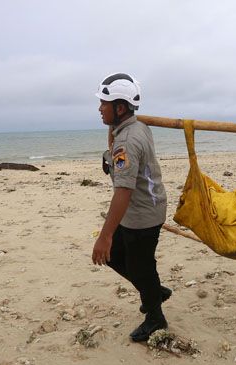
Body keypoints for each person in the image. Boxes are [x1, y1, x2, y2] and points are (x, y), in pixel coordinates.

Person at [91, 72, 171, 342]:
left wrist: (104, 236)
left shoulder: (127, 140)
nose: (99, 108)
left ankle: (155, 318)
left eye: (104, 103)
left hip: (143, 215)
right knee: (116, 256)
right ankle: (155, 291)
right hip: (143, 208)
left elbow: (123, 191)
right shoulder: (137, 127)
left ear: (120, 108)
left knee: (140, 267)